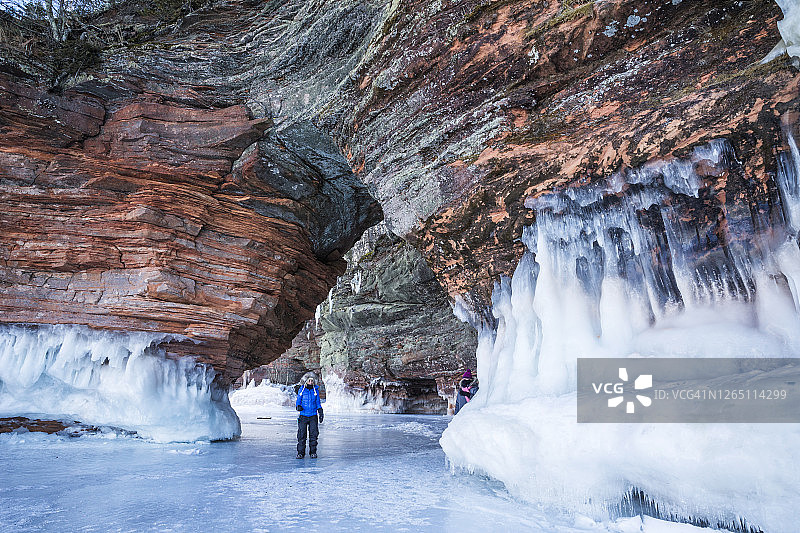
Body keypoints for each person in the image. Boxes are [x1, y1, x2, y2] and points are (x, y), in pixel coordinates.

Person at [295, 375, 324, 458]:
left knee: (313, 435)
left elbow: (318, 402)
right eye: (309, 381)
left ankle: (313, 452)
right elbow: (298, 401)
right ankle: (300, 453)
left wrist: (320, 411)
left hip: (313, 416)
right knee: (301, 435)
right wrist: (298, 406)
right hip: (303, 415)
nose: (311, 382)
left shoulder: (315, 390)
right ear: (306, 381)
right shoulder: (302, 390)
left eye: (312, 381)